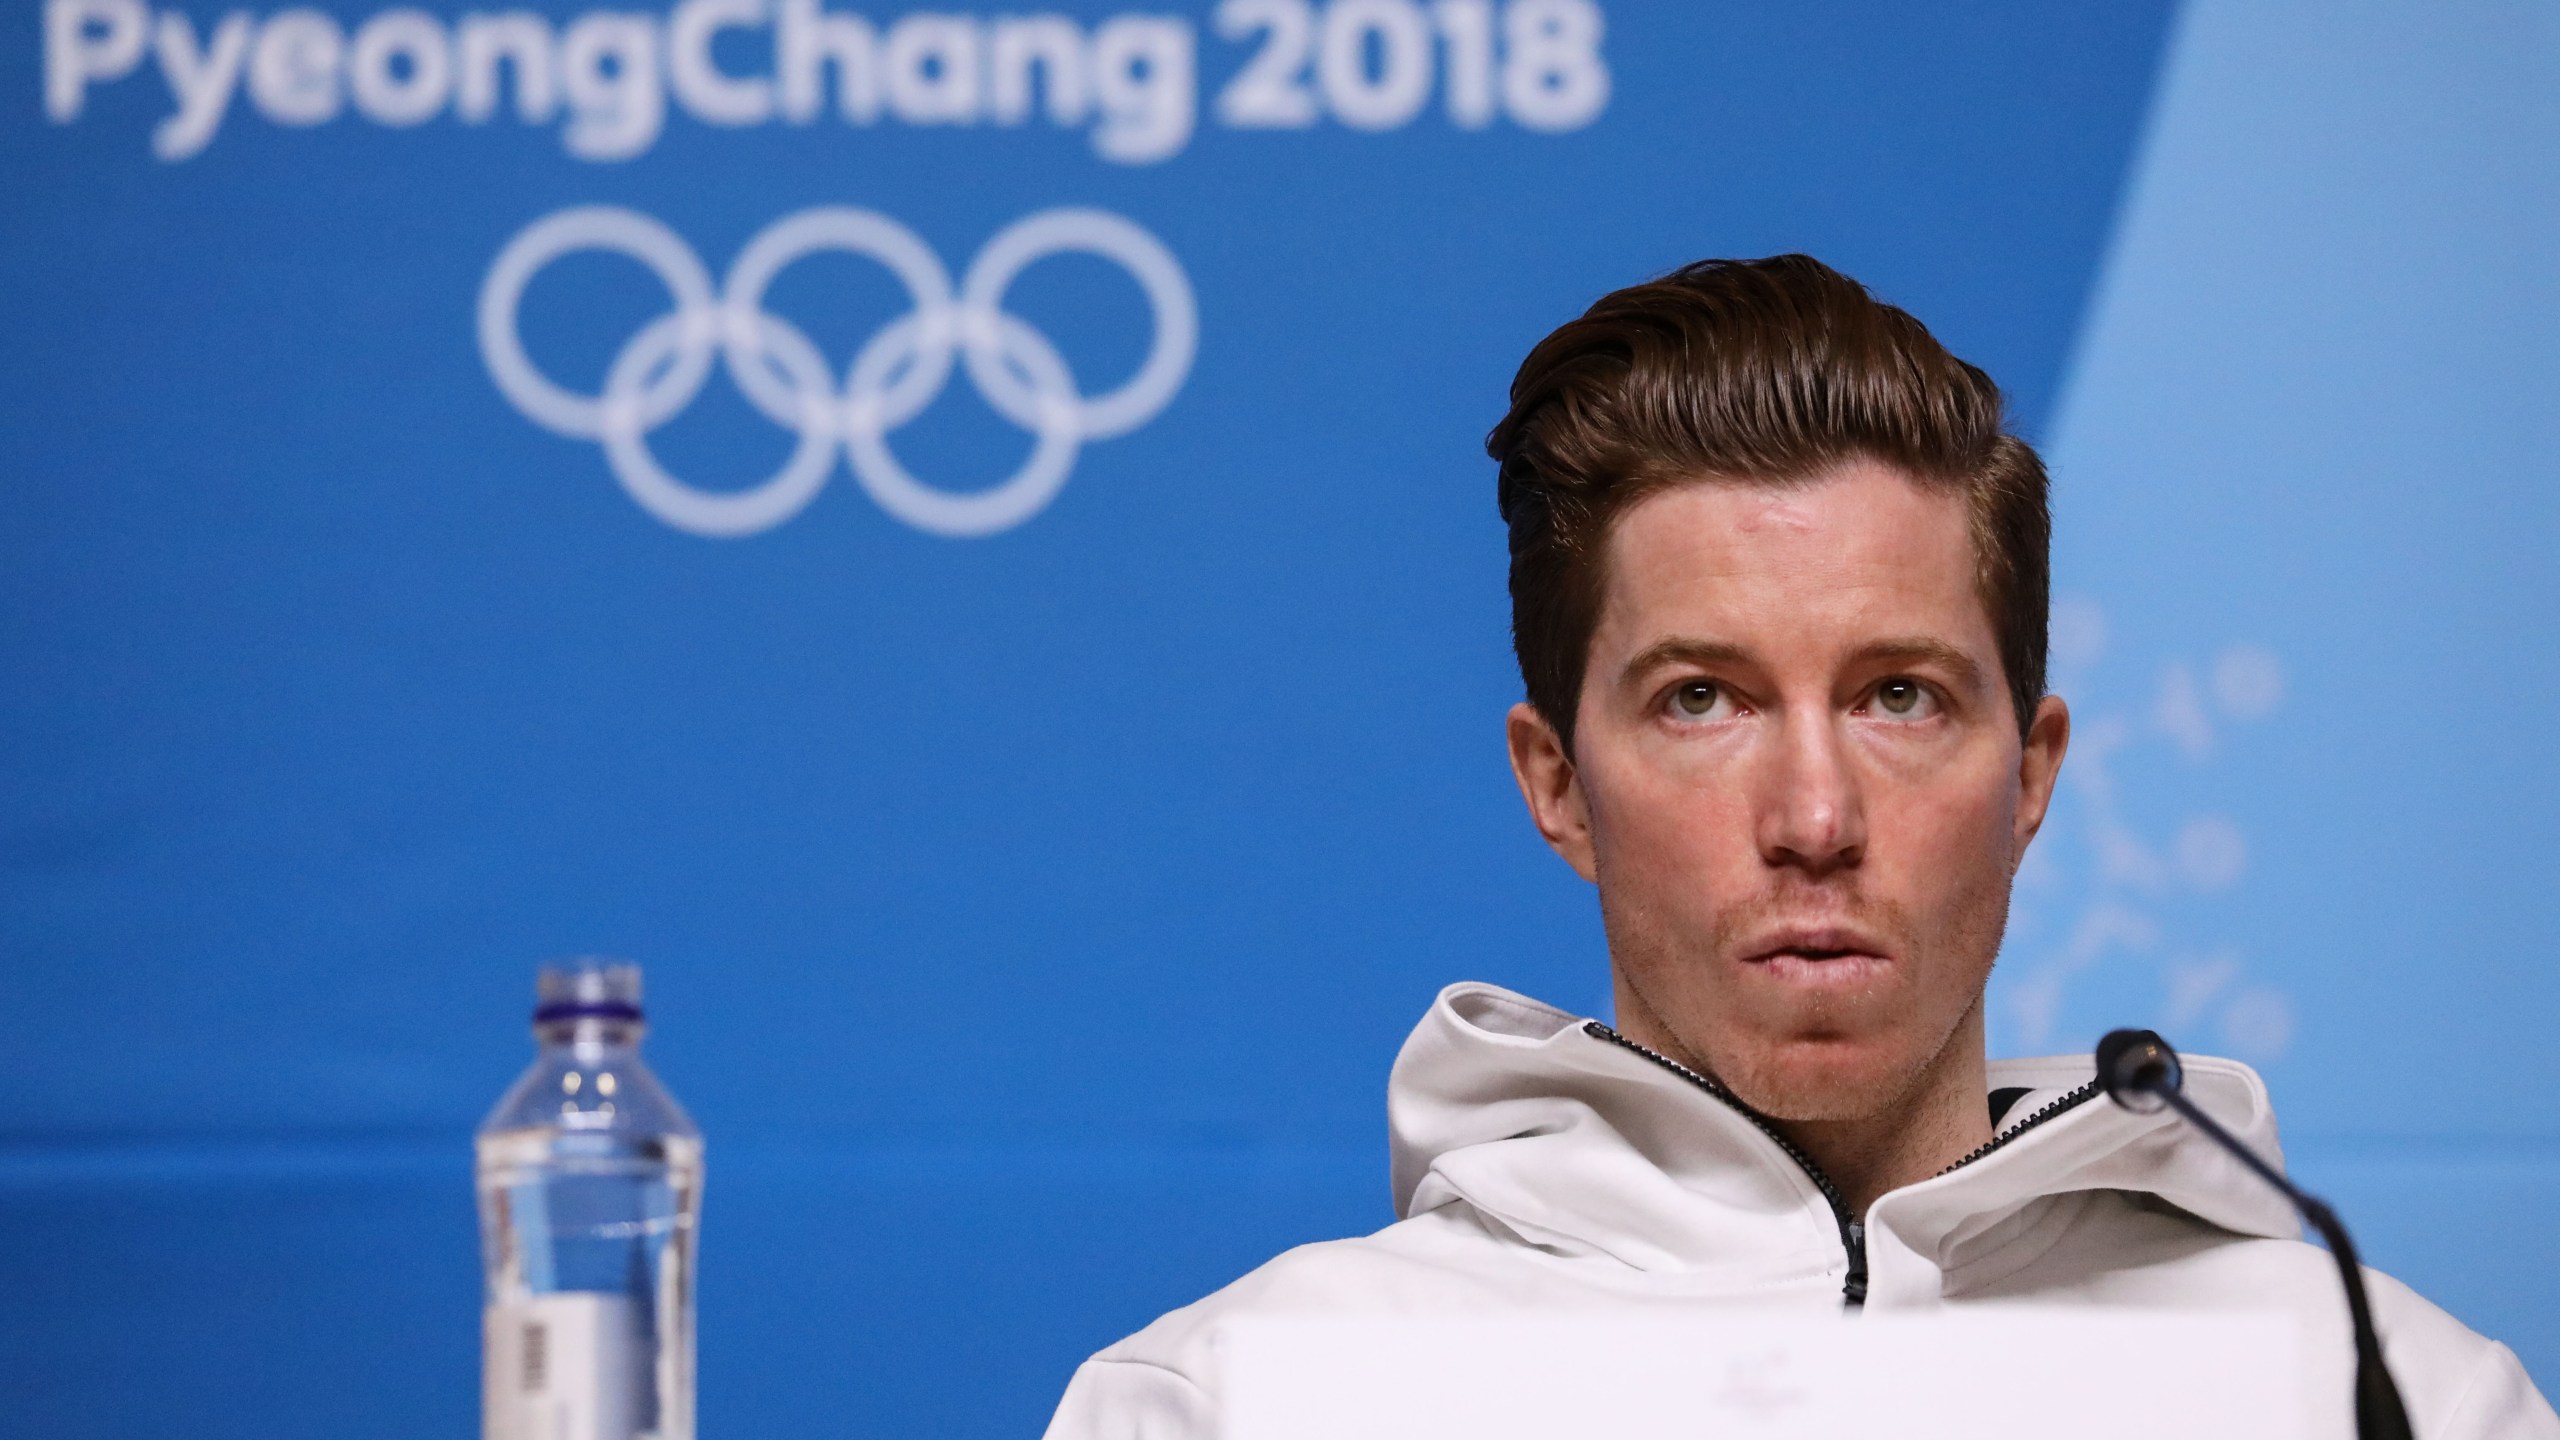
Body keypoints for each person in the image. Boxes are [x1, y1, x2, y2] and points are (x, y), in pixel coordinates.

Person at [1040, 256, 2559, 1438]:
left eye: (1900, 697)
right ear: (1559, 785)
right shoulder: (1236, 1403)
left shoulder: (2386, 1399)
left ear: (2028, 777)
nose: (1815, 820)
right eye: (1704, 700)